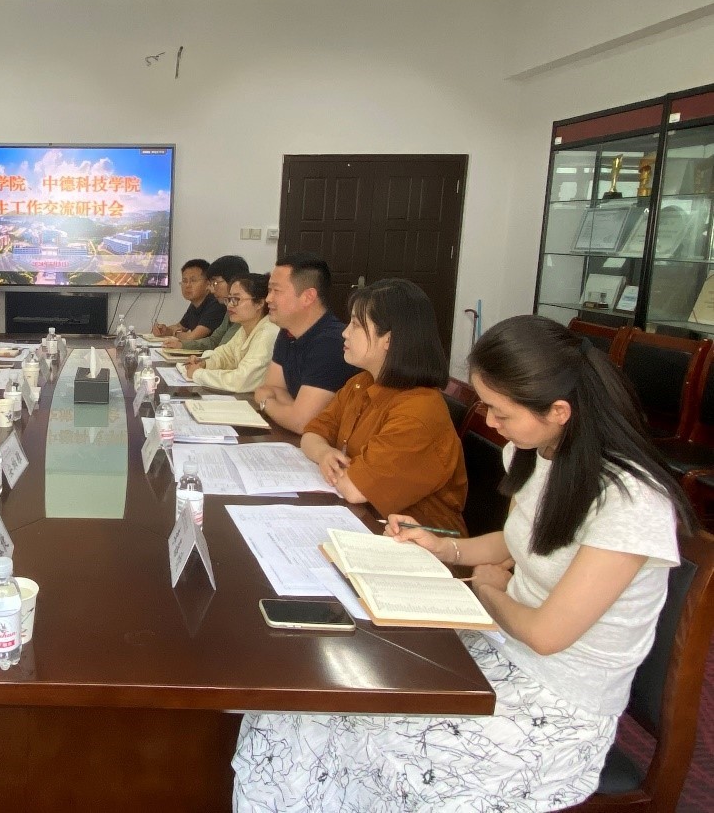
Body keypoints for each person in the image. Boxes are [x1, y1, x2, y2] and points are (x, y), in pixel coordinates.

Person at [233, 314, 696, 812]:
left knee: (380, 747)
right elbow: (519, 542)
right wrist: (443, 548)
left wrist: (488, 590)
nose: (490, 424)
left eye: (501, 412)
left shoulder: (630, 503)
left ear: (559, 410)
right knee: (306, 702)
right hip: (499, 651)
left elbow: (546, 635)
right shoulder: (542, 451)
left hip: (553, 706)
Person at [299, 278, 467, 534]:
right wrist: (324, 454)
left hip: (421, 542)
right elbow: (311, 434)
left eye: (356, 325)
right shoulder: (361, 383)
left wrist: (336, 467)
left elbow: (355, 489)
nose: (345, 332)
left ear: (388, 339)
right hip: (369, 520)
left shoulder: (418, 412)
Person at [252, 253, 358, 432]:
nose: (268, 298)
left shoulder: (332, 343)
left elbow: (302, 423)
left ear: (308, 297)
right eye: (269, 290)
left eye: (276, 291)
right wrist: (291, 409)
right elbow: (271, 387)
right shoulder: (288, 331)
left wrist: (265, 402)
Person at [183, 273, 278, 393]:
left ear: (259, 303)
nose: (230, 305)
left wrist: (198, 374)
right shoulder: (245, 328)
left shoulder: (268, 333)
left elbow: (241, 381)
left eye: (236, 299)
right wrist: (204, 363)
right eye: (229, 299)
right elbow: (226, 355)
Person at [161, 255, 249, 353]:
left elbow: (224, 351)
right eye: (184, 281)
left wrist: (176, 334)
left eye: (215, 283)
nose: (211, 289)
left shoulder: (220, 305)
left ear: (234, 282)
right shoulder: (229, 307)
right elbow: (213, 341)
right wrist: (182, 344)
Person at [152, 258, 226, 340]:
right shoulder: (195, 304)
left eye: (193, 280)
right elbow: (180, 326)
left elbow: (192, 337)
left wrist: (174, 333)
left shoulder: (216, 304)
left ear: (208, 284)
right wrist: (165, 330)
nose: (187, 285)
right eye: (184, 281)